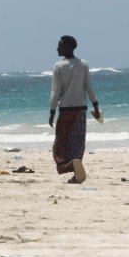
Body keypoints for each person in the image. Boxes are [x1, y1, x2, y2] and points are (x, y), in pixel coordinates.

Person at [48, 35, 102, 183]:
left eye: (60, 46)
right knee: (78, 141)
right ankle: (76, 168)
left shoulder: (59, 66)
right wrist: (96, 105)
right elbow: (88, 87)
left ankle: (69, 166)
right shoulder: (83, 64)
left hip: (65, 110)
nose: (57, 48)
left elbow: (55, 91)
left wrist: (52, 111)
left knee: (61, 143)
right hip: (81, 109)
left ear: (67, 47)